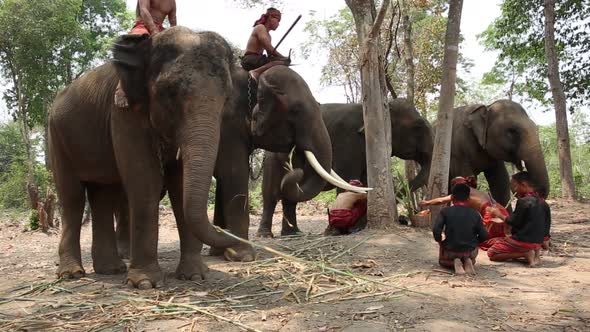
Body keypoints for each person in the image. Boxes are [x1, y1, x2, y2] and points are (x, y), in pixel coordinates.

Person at [114, 0, 177, 109]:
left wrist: (175, 36)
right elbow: (144, 11)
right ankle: (121, 88)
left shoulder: (172, 2)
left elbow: (173, 20)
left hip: (160, 28)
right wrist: (153, 31)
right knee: (136, 42)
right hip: (144, 25)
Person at [419, 176, 509, 250]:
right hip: (500, 210)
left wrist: (427, 202)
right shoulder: (475, 191)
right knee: (493, 235)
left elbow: (441, 200)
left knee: (485, 241)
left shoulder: (463, 192)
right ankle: (509, 242)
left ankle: (507, 244)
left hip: (490, 212)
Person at [486, 171, 552, 267]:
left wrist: (498, 214)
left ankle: (525, 254)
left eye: (515, 186)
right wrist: (544, 240)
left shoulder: (523, 202)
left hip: (523, 241)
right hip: (537, 242)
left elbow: (513, 222)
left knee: (492, 253)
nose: (514, 189)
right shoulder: (544, 203)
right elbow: (547, 225)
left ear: (524, 185)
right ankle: (536, 255)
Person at [432, 183, 488, 275]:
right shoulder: (475, 213)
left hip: (450, 251)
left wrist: (440, 242)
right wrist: (475, 242)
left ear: (452, 198)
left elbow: (436, 231)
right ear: (469, 198)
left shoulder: (445, 211)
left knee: (442, 261)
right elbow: (484, 235)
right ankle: (468, 261)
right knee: (471, 257)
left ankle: (456, 261)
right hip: (470, 251)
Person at [241, 7, 291, 81]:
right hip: (250, 59)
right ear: (270, 17)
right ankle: (256, 72)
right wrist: (283, 57)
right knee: (282, 62)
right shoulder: (260, 28)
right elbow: (268, 47)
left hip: (258, 59)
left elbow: (270, 54)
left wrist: (278, 57)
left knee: (282, 62)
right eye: (278, 20)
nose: (278, 24)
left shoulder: (269, 36)